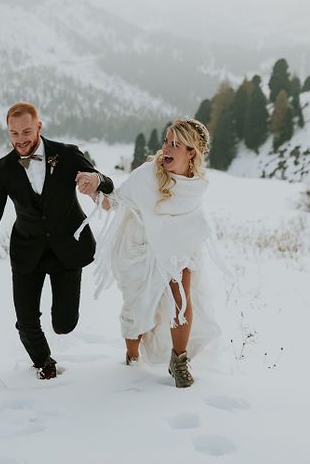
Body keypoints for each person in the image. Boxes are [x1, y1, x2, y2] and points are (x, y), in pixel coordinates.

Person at [0, 102, 114, 379]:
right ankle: (44, 362)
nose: (21, 139)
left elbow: (106, 182)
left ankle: (62, 326)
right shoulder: (4, 168)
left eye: (26, 132)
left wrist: (95, 179)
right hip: (27, 250)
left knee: (65, 324)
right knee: (26, 321)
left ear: (39, 127)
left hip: (67, 249)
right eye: (14, 133)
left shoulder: (67, 155)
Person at [88, 118, 222, 388]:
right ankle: (132, 359)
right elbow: (113, 202)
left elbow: (192, 219)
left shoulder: (195, 185)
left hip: (178, 248)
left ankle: (179, 360)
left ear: (191, 152)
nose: (167, 149)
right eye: (166, 142)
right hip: (140, 247)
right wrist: (95, 186)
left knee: (181, 300)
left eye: (176, 145)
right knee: (137, 307)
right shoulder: (147, 174)